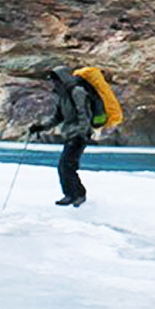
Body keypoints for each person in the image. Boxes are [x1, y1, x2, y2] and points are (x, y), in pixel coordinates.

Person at [30, 67, 94, 207]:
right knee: (65, 166)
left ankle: (76, 195)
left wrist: (81, 133)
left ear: (62, 78)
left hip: (79, 135)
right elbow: (58, 117)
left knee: (67, 165)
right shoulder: (63, 95)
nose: (54, 83)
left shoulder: (77, 92)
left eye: (55, 80)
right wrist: (41, 127)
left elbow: (83, 114)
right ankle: (73, 194)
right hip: (71, 133)